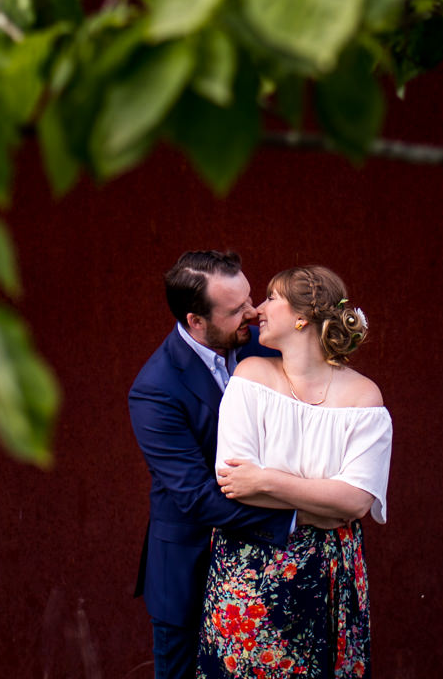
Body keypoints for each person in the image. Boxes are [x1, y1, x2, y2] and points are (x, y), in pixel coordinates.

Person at [129, 250, 328, 679]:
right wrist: (296, 514)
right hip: (189, 569)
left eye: (251, 298)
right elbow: (197, 498)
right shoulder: (154, 390)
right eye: (236, 309)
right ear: (195, 321)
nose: (253, 312)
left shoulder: (263, 344)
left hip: (260, 570)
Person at [198, 265, 391, 679]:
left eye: (272, 298)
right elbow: (234, 482)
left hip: (330, 579)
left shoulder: (364, 397)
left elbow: (356, 500)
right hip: (251, 573)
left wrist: (266, 480)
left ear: (302, 316)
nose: (259, 309)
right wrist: (323, 505)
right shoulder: (250, 378)